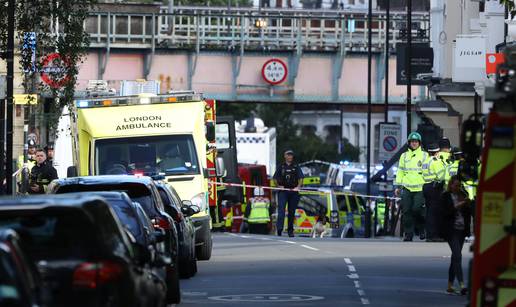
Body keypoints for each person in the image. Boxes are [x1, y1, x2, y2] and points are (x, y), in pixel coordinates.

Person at [439, 175, 471, 295]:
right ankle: (462, 284)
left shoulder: (463, 195)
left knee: (455, 258)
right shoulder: (445, 196)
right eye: (455, 185)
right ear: (450, 185)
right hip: (451, 230)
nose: (457, 188)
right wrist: (459, 205)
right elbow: (445, 212)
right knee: (458, 255)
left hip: (461, 230)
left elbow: (468, 214)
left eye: (459, 185)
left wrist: (467, 205)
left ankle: (450, 285)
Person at [395, 132, 428, 241]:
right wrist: (398, 186)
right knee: (406, 211)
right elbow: (400, 172)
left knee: (417, 209)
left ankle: (421, 228)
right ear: (409, 143)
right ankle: (408, 234)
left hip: (420, 188)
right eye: (412, 142)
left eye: (416, 142)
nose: (414, 143)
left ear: (419, 143)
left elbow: (428, 171)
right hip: (407, 188)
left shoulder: (424, 155)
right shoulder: (404, 156)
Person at [273, 150, 304, 237]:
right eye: (288, 155)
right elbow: (274, 178)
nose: (290, 157)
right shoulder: (281, 166)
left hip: (293, 192)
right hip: (283, 191)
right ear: (285, 156)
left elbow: (301, 178)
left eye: (291, 155)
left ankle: (290, 231)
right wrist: (278, 186)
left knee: (291, 212)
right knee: (281, 211)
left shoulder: (296, 166)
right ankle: (279, 229)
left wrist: (298, 187)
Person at [422, 143, 446, 241]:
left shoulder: (426, 161)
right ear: (437, 152)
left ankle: (429, 235)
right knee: (435, 212)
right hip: (435, 187)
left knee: (429, 212)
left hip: (426, 186)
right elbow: (441, 176)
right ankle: (434, 236)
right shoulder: (436, 161)